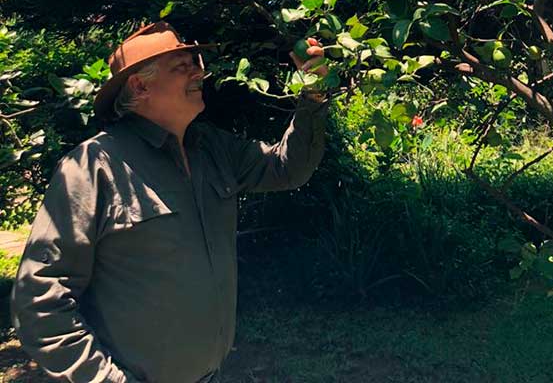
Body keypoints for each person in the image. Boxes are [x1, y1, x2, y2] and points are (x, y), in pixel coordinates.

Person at [10, 22, 329, 383]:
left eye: (196, 62)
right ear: (140, 85)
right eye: (182, 66)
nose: (199, 72)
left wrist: (314, 93)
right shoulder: (92, 167)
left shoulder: (212, 148)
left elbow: (287, 169)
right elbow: (40, 298)